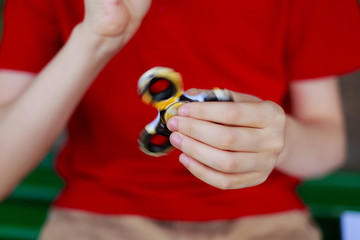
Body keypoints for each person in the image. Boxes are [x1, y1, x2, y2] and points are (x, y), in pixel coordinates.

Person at [0, 0, 360, 239]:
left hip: (264, 221)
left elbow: (328, 145)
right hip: (96, 219)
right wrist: (95, 38)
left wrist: (279, 138)